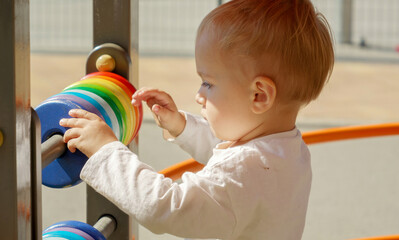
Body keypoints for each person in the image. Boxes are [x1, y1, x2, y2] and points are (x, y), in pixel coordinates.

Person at [59, 0, 334, 239]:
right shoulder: (285, 149)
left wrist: (106, 151)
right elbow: (229, 149)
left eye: (208, 83)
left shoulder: (248, 171)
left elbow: (163, 207)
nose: (199, 95)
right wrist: (181, 125)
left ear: (259, 95)